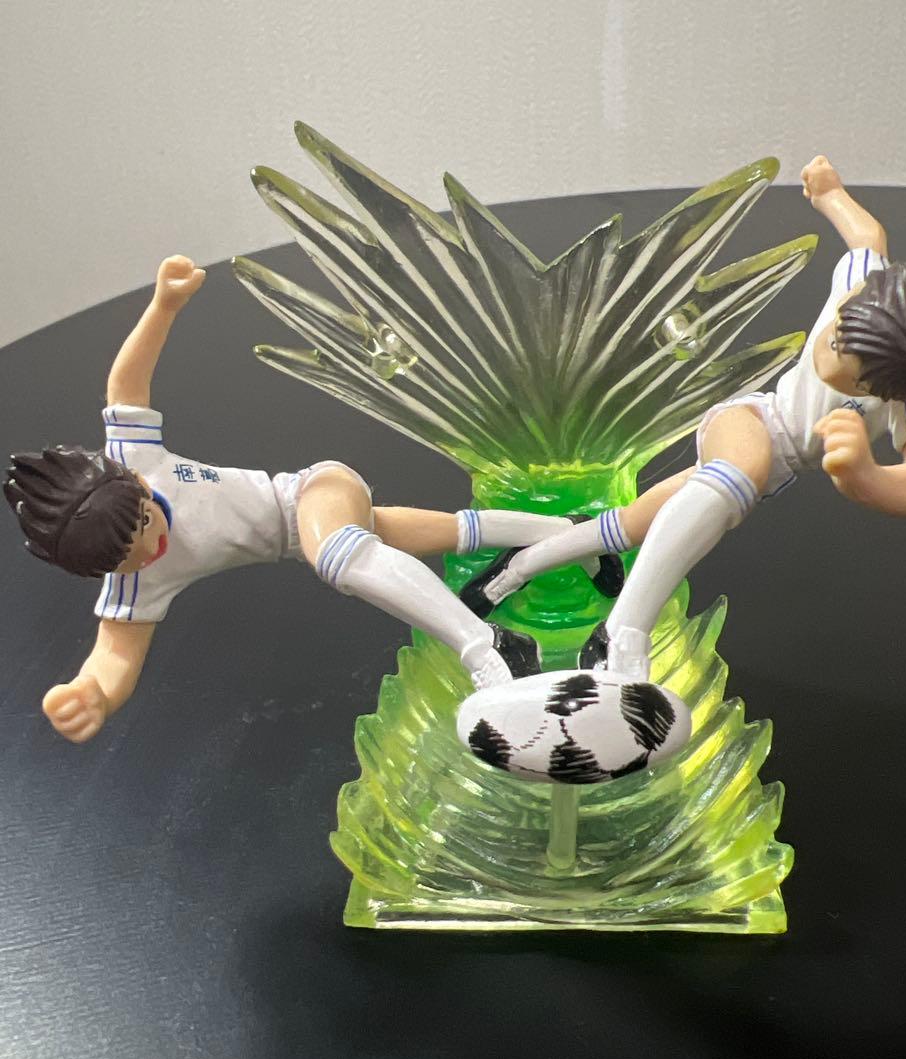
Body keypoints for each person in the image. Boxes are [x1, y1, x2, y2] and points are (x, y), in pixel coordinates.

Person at [4, 256, 619, 742]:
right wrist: (94, 693)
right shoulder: (136, 584)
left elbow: (125, 384)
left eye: (145, 521)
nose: (152, 547)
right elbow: (115, 652)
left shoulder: (133, 459)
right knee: (441, 532)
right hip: (307, 537)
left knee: (340, 558)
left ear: (136, 485)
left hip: (312, 492)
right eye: (129, 556)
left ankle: (489, 649)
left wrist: (164, 305)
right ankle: (562, 532)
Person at [462, 154, 906, 683]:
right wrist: (830, 194)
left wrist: (866, 474)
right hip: (752, 422)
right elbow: (867, 237)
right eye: (836, 338)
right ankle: (624, 632)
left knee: (631, 525)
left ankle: (521, 565)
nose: (829, 362)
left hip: (771, 466)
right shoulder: (865, 287)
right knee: (738, 475)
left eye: (857, 384)